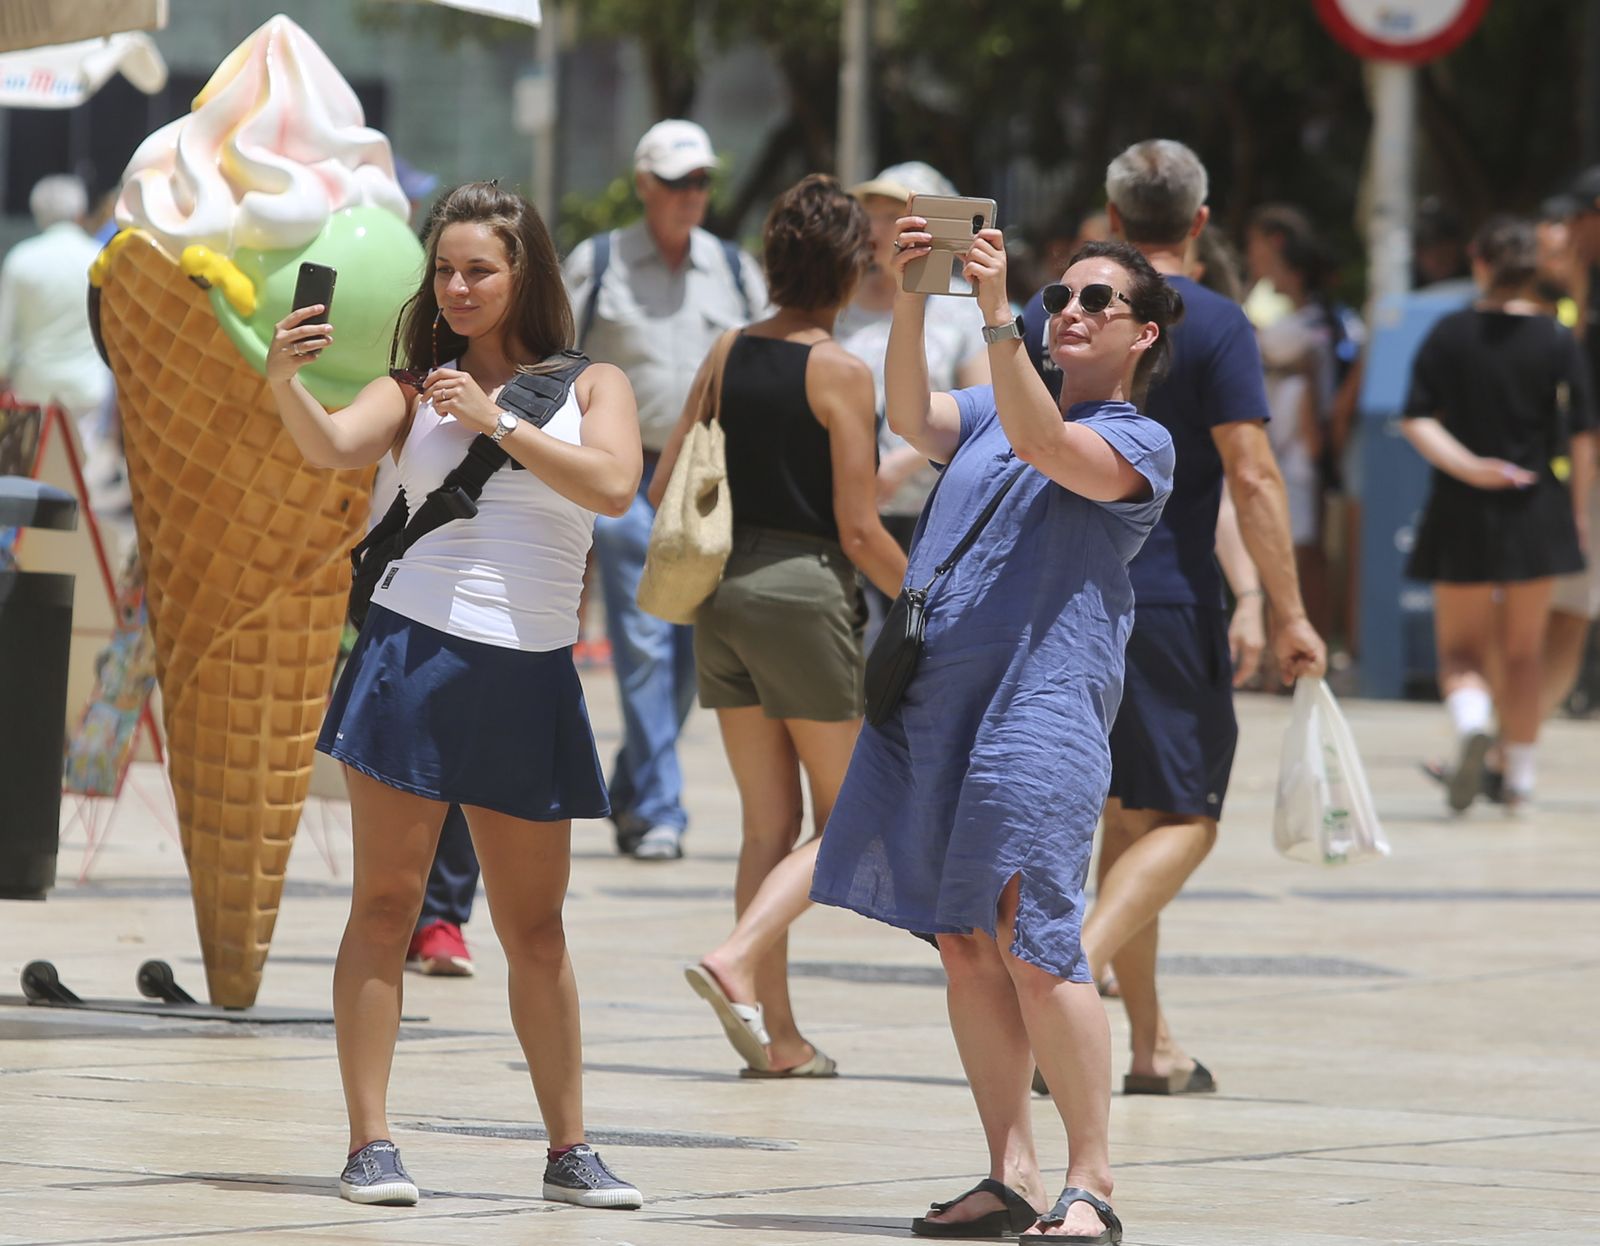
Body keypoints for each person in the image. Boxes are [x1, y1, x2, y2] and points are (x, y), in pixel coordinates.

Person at [267, 181, 644, 1209]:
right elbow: (331, 445)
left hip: (532, 669)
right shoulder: (410, 387)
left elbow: (615, 487)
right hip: (412, 654)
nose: (458, 287)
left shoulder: (594, 384)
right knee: (387, 906)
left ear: (526, 274)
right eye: (444, 270)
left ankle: (570, 1149)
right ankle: (370, 1142)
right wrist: (284, 381)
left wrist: (496, 421)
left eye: (479, 268)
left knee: (537, 929)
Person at [811, 223, 1178, 1242]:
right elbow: (908, 415)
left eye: (1096, 301)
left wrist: (994, 314)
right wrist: (911, 294)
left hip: (1039, 708)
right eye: (1060, 295)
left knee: (1034, 939)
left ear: (1143, 334)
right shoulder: (988, 409)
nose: (1070, 311)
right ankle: (1010, 1171)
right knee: (966, 943)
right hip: (938, 705)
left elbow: (1048, 447)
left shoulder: (1140, 442)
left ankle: (1091, 1182)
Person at [1023, 141, 1325, 1100]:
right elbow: (1254, 474)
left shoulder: (1054, 313)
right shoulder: (1219, 321)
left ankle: (1150, 1046)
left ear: (1113, 215)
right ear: (1200, 222)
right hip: (1164, 603)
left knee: (1128, 821)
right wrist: (1287, 610)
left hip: (1055, 599)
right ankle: (1069, 978)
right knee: (1190, 818)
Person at [671, 174, 906, 1077]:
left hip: (721, 594)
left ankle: (778, 1039)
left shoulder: (727, 349)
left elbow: (669, 479)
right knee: (850, 818)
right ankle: (735, 957)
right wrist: (934, 598)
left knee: (767, 827)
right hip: (803, 595)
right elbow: (858, 529)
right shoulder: (840, 370)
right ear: (851, 269)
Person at [562, 119, 769, 861]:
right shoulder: (598, 261)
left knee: (691, 652)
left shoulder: (734, 269)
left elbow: (763, 363)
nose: (692, 195)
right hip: (627, 478)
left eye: (702, 181)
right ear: (645, 185)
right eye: (678, 182)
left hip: (708, 482)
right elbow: (558, 359)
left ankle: (630, 785)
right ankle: (660, 810)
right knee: (646, 643)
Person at [1401, 216, 1594, 812]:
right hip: (1537, 506)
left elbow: (1416, 417)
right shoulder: (1556, 338)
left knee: (1461, 652)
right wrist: (1578, 513)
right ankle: (1521, 781)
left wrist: (1470, 466)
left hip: (1462, 507)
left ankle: (1472, 723)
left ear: (1477, 260)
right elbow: (1583, 433)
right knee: (1524, 652)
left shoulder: (1450, 332)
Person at [835, 162, 989, 625]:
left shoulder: (963, 308)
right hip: (849, 512)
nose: (879, 229)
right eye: (872, 215)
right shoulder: (837, 302)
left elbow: (984, 412)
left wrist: (904, 462)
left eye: (895, 216)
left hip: (934, 512)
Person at [1245, 204, 1341, 653]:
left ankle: (1304, 646)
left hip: (1301, 452)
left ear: (1277, 243)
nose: (1251, 254)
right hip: (1274, 445)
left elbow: (1276, 351)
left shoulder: (1317, 319)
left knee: (1301, 554)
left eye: (1256, 244)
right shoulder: (1275, 305)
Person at [0, 175, 111, 421]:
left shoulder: (21, 259)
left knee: (35, 448)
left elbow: (4, 333)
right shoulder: (98, 257)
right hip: (88, 386)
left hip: (33, 387)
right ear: (80, 212)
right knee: (85, 448)